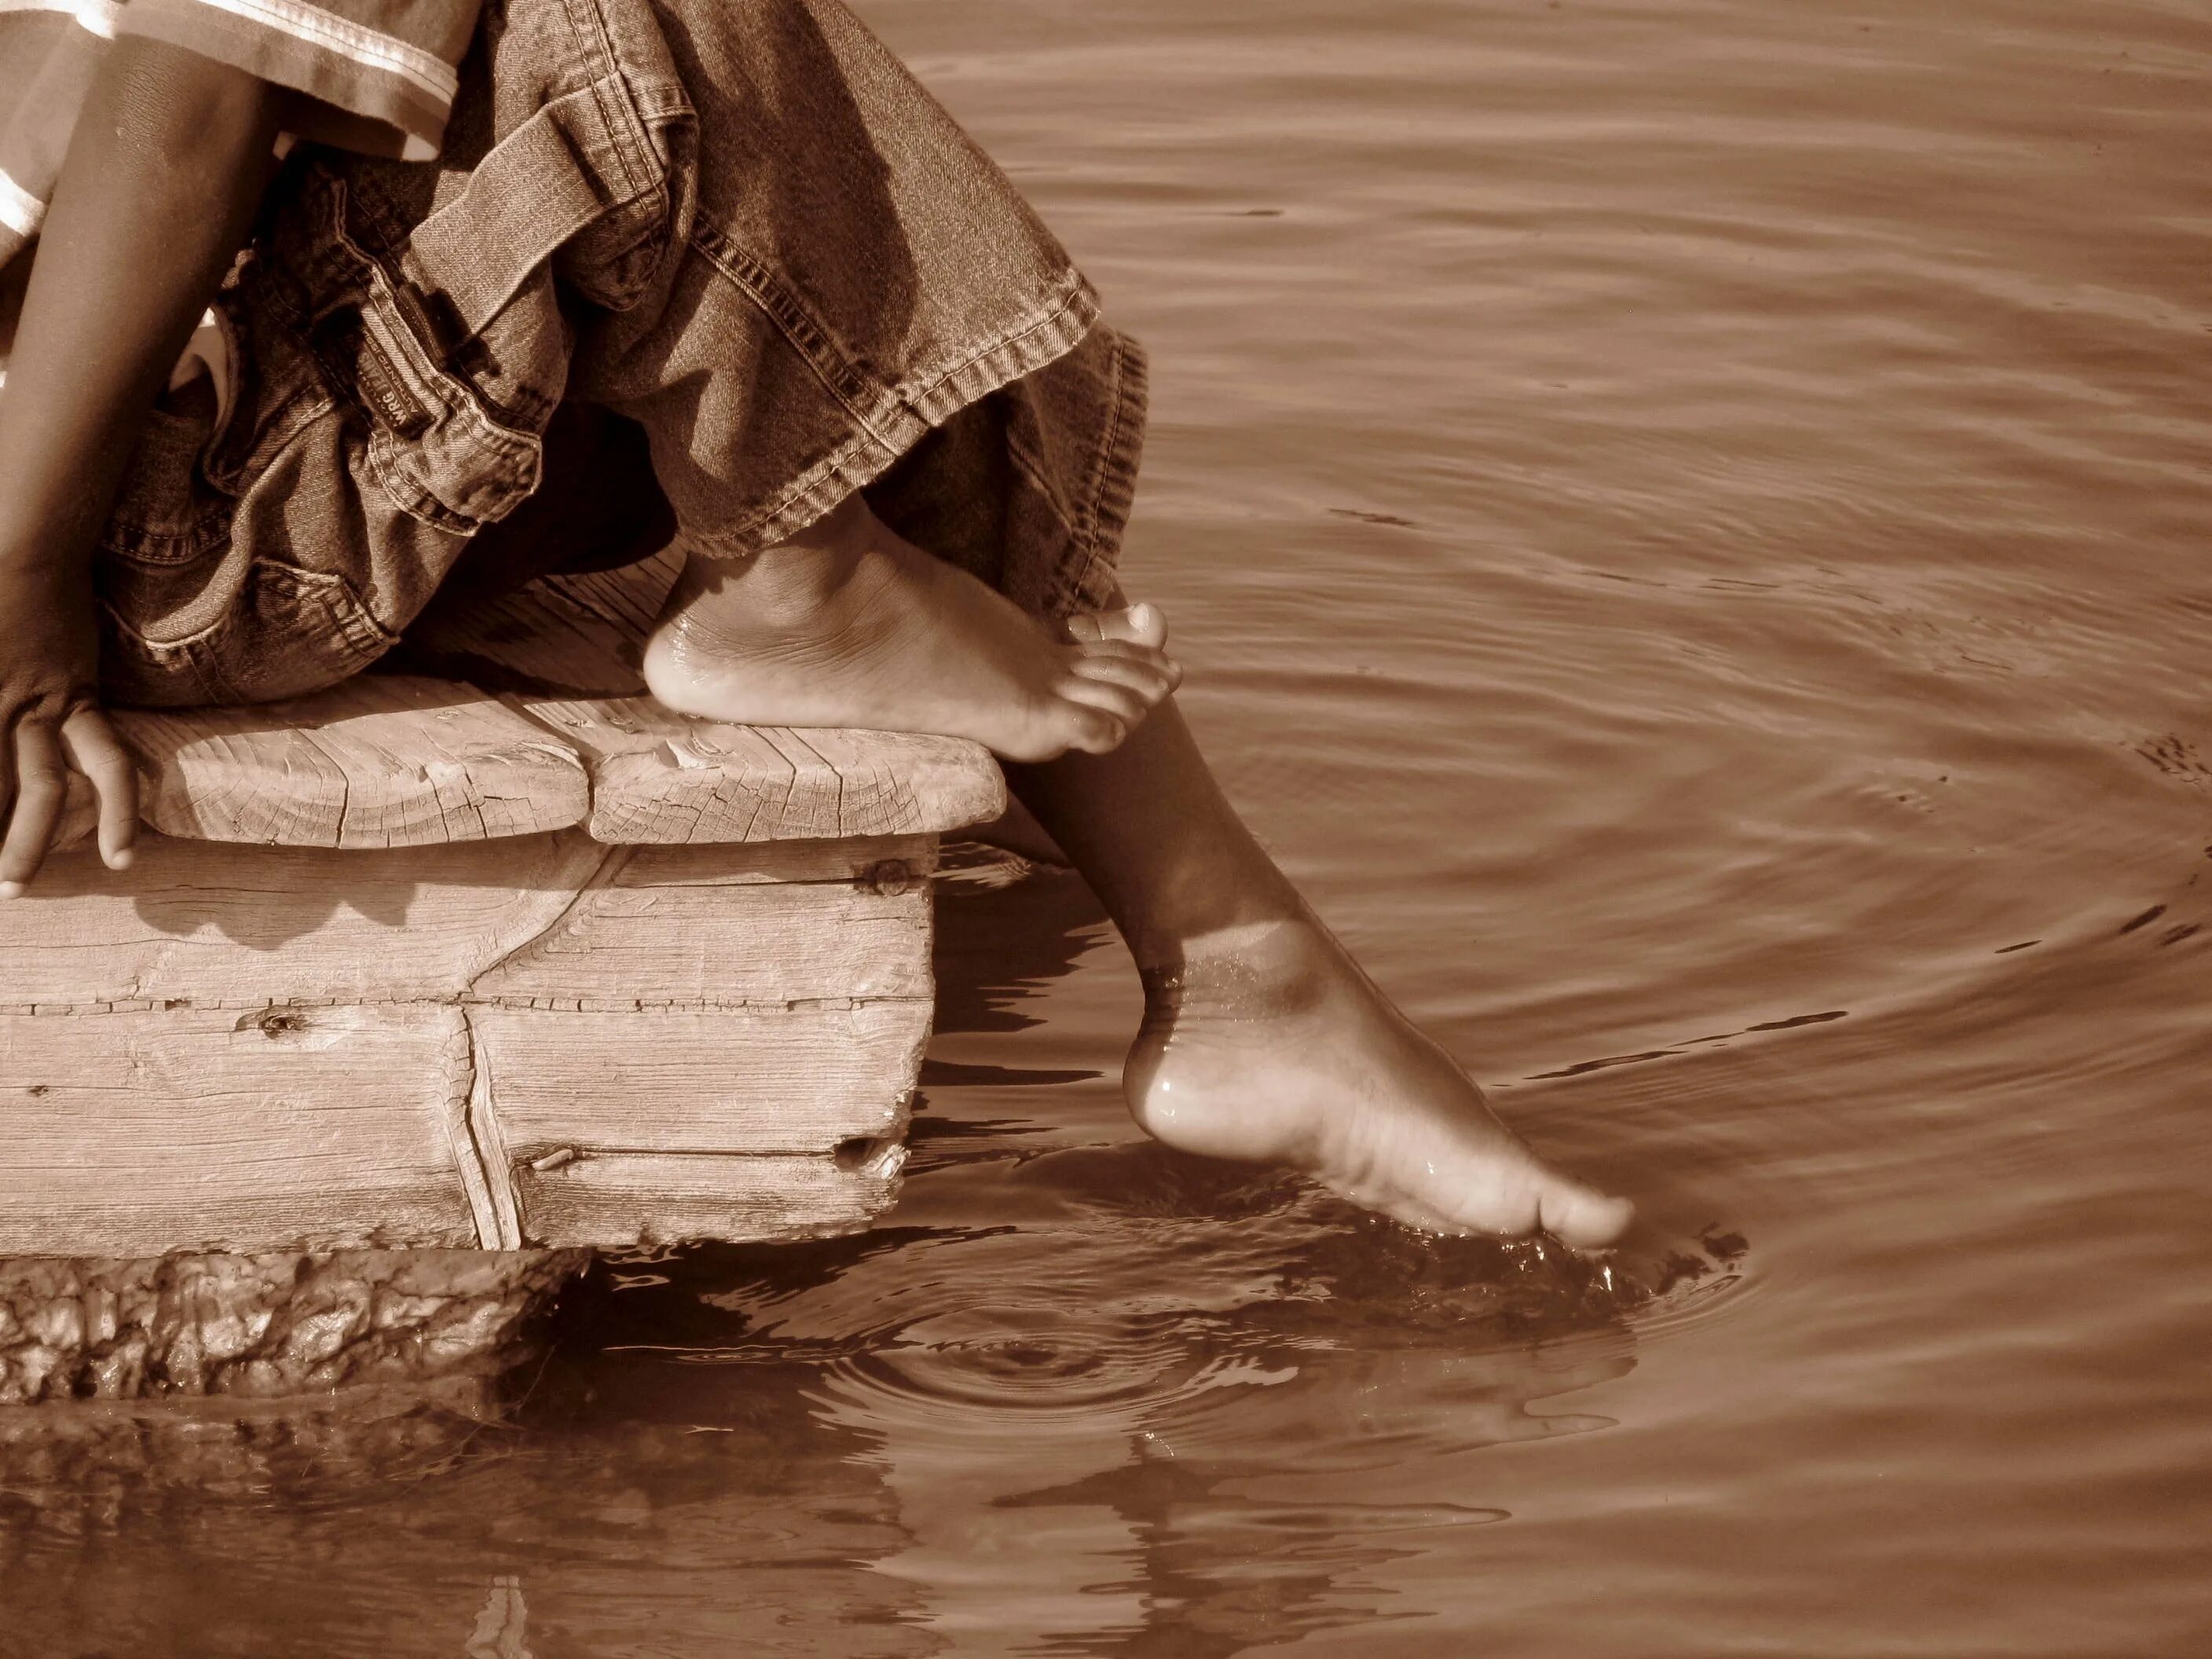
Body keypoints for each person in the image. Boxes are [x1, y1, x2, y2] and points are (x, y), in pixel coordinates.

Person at [0, 0, 1633, 1247]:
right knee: (641, 47)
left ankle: (1222, 955)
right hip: (101, 536)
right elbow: (192, 95)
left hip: (142, 481)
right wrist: (16, 586)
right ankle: (823, 603)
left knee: (788, 268)